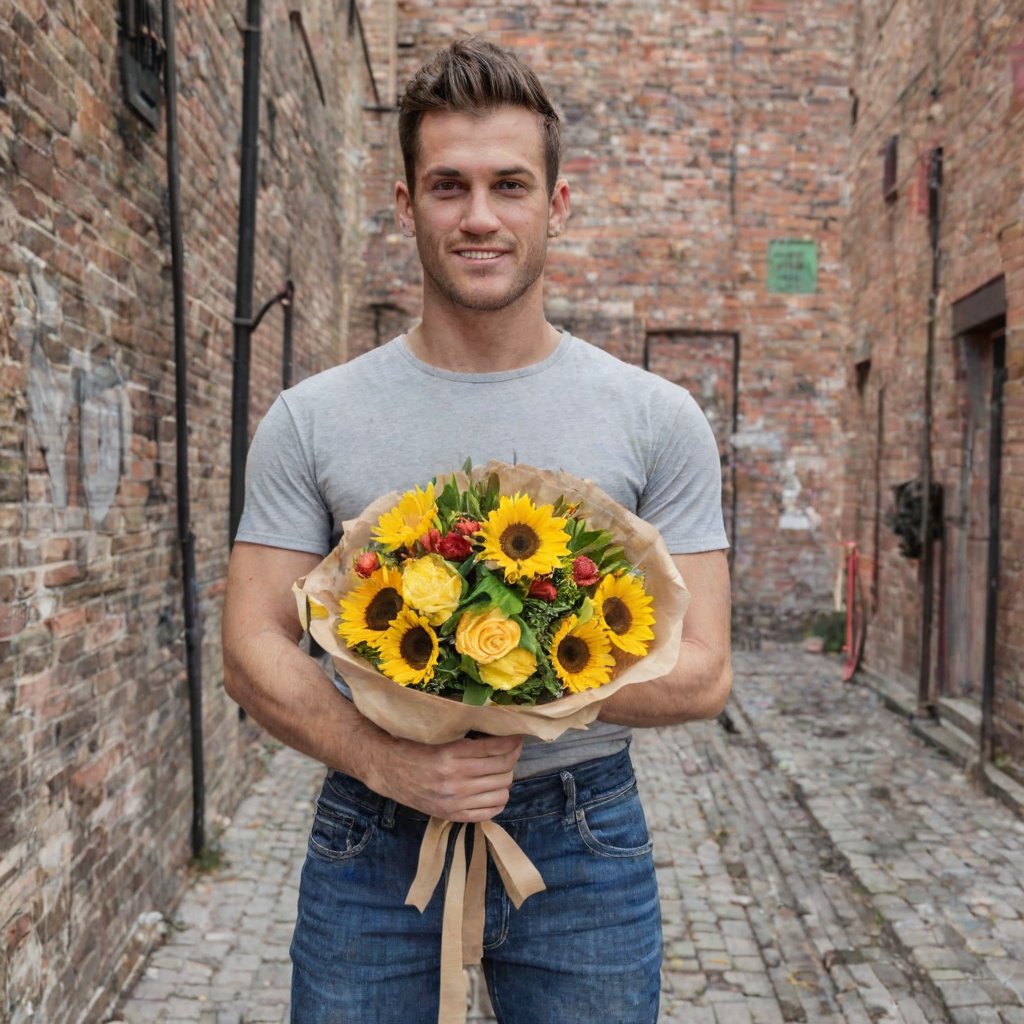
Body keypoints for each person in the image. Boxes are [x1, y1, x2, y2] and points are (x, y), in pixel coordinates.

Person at [223, 38, 732, 1024]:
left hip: (584, 838)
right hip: (370, 833)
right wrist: (390, 760)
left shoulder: (654, 417)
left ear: (557, 202)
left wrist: (523, 690)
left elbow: (704, 668)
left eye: (509, 184)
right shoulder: (312, 417)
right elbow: (250, 646)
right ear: (407, 205)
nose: (480, 217)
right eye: (448, 187)